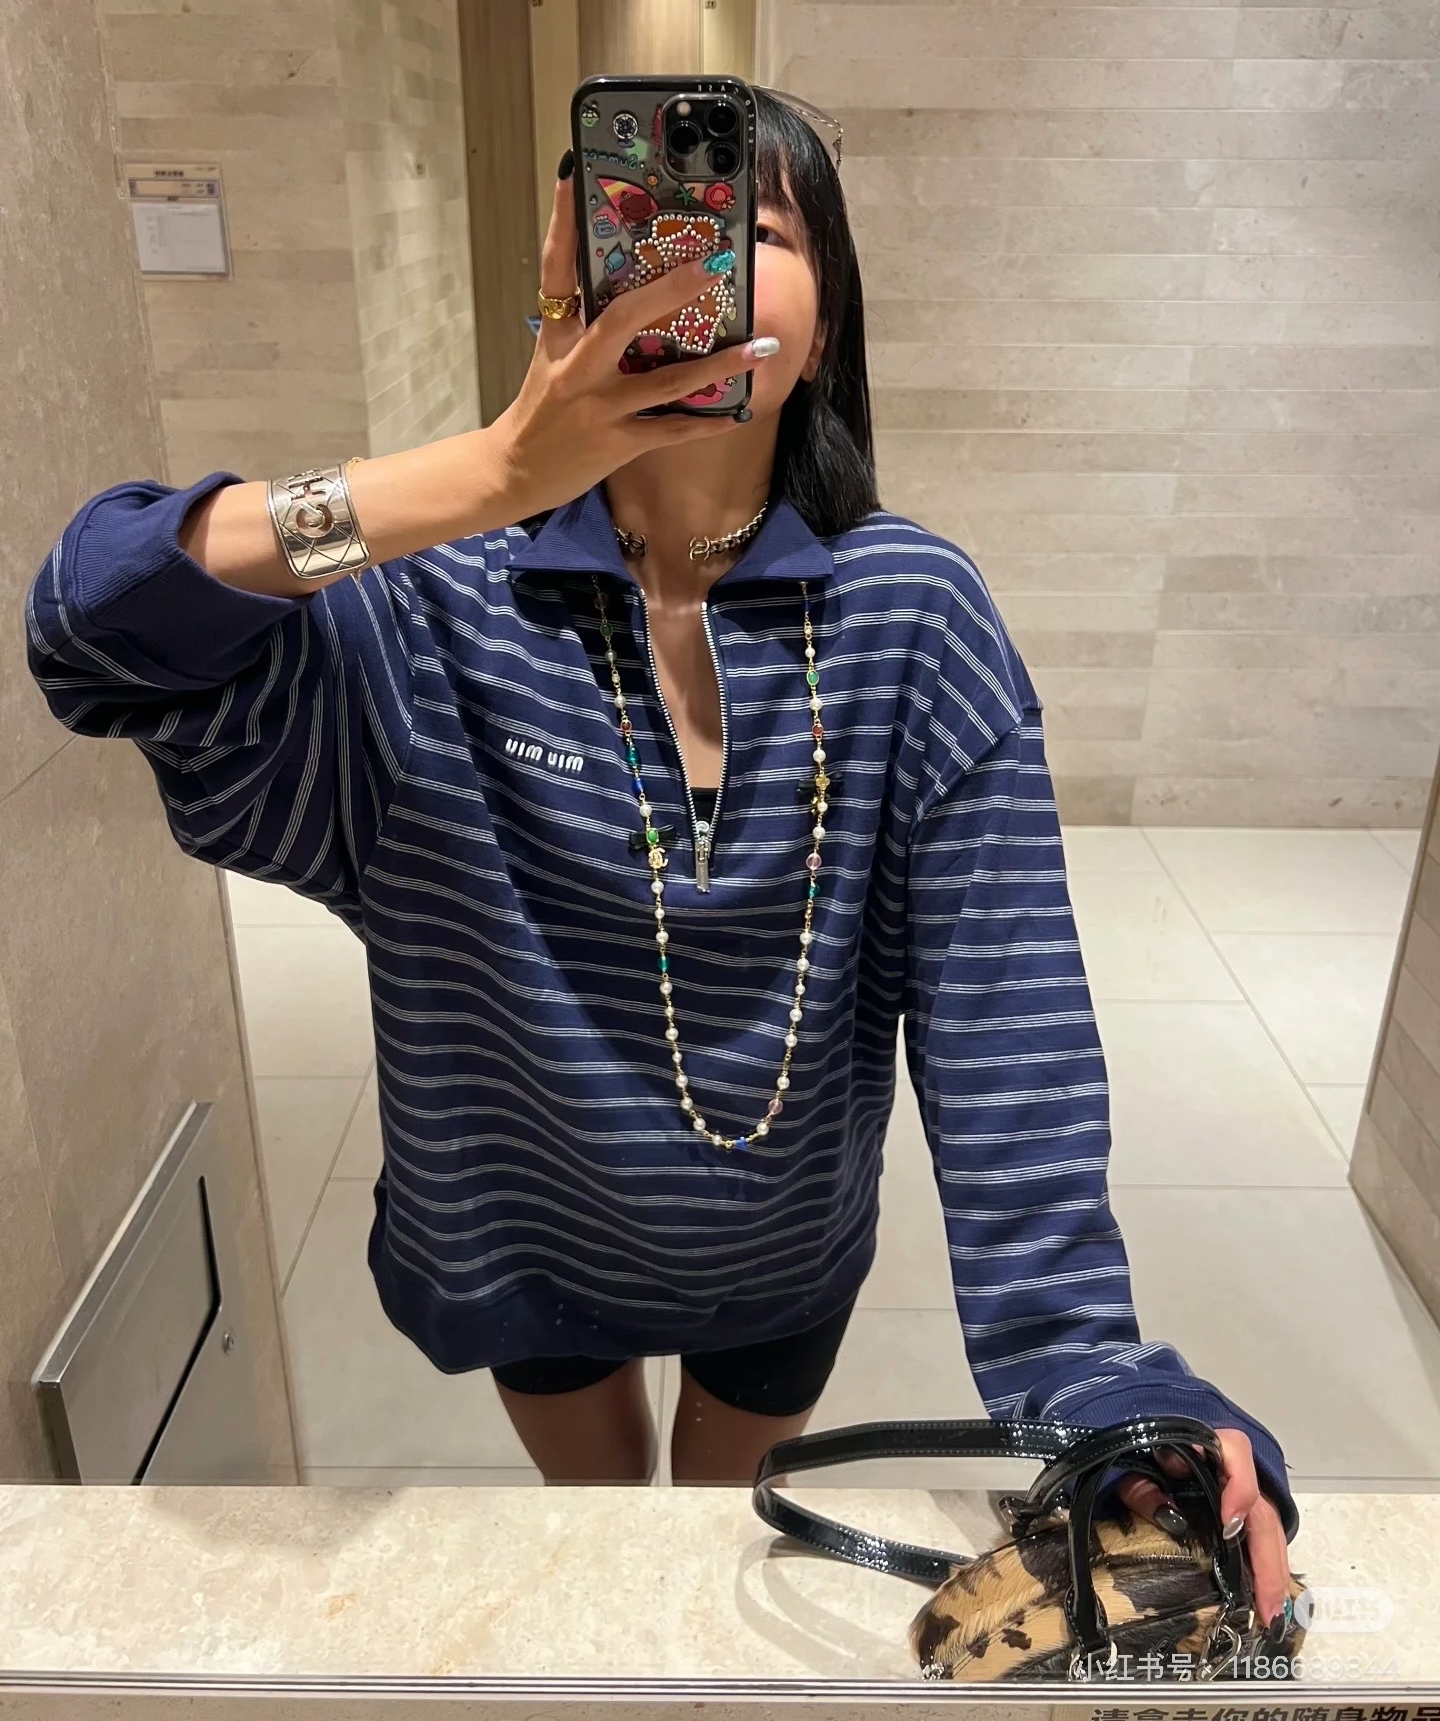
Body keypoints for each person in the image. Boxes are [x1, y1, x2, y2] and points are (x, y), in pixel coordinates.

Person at [26, 89, 1296, 1629]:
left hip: (784, 1246)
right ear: (563, 291)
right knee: (595, 1536)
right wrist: (488, 475)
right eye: (645, 231)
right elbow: (96, 620)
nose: (695, 266)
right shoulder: (433, 604)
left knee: (714, 1549)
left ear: (826, 328)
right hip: (518, 1229)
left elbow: (1005, 1028)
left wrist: (1090, 1375)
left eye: (756, 234)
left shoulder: (916, 619)